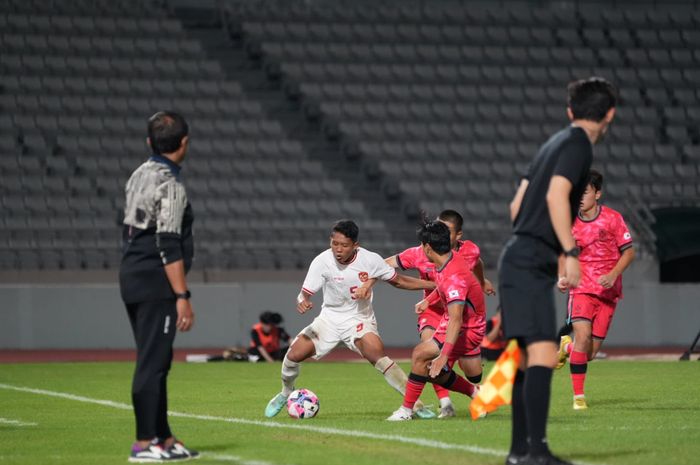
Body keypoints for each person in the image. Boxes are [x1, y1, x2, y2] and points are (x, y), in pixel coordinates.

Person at [498, 77, 617, 465]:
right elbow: (554, 196)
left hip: (516, 255)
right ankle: (537, 451)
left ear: (570, 111)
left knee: (526, 356)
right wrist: (568, 250)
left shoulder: (551, 143)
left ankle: (520, 452)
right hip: (532, 259)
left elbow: (517, 206)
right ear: (610, 115)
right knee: (544, 353)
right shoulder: (579, 144)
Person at [264, 220, 437, 419]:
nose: (338, 249)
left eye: (344, 245)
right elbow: (303, 294)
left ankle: (414, 404)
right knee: (294, 355)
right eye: (334, 243)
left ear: (355, 245)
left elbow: (399, 281)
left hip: (358, 318)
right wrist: (302, 301)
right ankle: (286, 393)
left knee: (376, 353)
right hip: (329, 318)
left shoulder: (370, 260)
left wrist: (433, 285)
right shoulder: (322, 261)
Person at [119, 111, 199, 462]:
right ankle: (144, 441)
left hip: (133, 274)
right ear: (184, 143)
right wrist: (182, 295)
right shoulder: (171, 184)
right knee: (152, 363)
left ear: (150, 143)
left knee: (157, 360)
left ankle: (163, 437)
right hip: (156, 280)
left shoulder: (139, 174)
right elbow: (168, 243)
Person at [383, 209, 495, 418]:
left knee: (424, 357)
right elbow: (441, 288)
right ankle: (473, 394)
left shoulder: (454, 276)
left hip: (469, 329)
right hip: (455, 321)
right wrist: (429, 300)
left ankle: (406, 411)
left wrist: (443, 356)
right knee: (428, 366)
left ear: (427, 248)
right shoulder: (447, 261)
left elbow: (456, 318)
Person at [555, 169, 635, 409]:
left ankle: (566, 347)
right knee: (583, 335)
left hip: (608, 293)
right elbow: (563, 252)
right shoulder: (569, 221)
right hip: (580, 288)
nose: (580, 196)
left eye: (586, 191)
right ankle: (578, 398)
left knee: (588, 352)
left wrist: (612, 275)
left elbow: (629, 252)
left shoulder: (612, 219)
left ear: (597, 194)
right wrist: (562, 276)